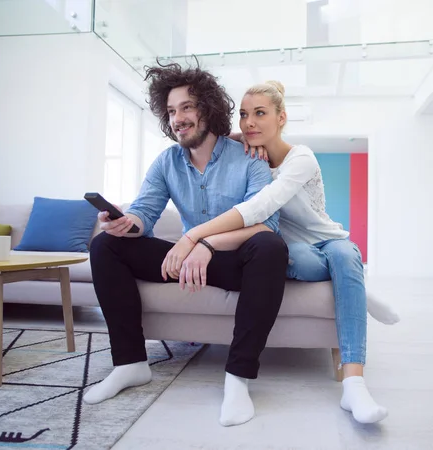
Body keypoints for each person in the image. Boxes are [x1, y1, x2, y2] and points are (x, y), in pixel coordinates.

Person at [164, 80, 398, 424]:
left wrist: (194, 237)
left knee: (345, 256)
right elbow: (216, 137)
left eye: (260, 114)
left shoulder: (300, 158)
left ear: (282, 118)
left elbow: (260, 206)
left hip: (327, 241)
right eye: (244, 115)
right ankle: (355, 287)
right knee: (275, 256)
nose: (250, 122)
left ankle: (354, 385)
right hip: (292, 249)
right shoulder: (248, 153)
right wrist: (236, 137)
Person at [83, 62, 290, 428]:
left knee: (271, 249)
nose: (178, 118)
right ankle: (130, 364)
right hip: (187, 260)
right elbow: (144, 213)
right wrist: (124, 223)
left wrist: (203, 243)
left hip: (233, 262)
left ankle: (238, 378)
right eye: (172, 111)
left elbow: (265, 225)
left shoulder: (249, 158)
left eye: (187, 107)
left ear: (208, 108)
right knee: (105, 246)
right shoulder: (167, 162)